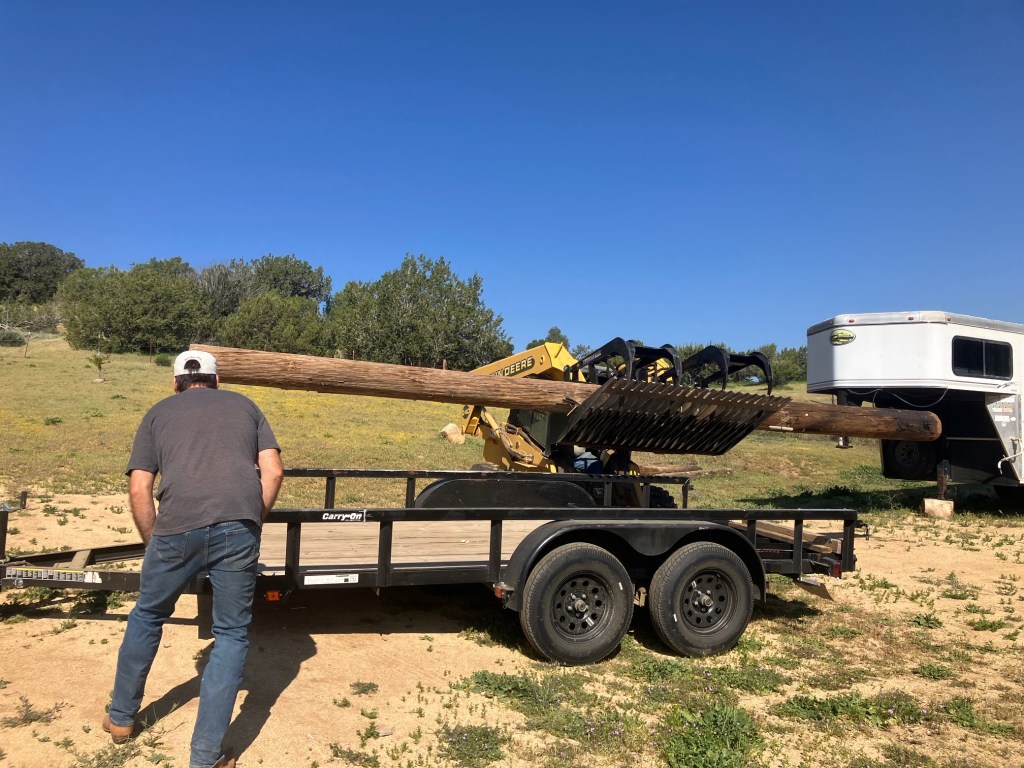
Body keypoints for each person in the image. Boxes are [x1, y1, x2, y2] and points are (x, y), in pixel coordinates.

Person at [102, 349, 284, 768]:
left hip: (175, 528)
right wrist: (251, 520)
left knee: (147, 616)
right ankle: (206, 757)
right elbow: (272, 472)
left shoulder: (157, 413)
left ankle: (121, 719)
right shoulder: (246, 405)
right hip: (237, 525)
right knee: (232, 635)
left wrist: (156, 541)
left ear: (175, 383)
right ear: (217, 381)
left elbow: (138, 488)